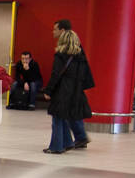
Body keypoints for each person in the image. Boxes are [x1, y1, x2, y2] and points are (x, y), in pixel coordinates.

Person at [39, 23, 95, 154]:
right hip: (76, 90)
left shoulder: (60, 55)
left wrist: (48, 90)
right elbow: (85, 74)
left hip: (62, 90)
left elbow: (56, 74)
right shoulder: (80, 55)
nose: (53, 32)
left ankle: (56, 146)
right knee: (66, 116)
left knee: (57, 118)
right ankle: (68, 142)